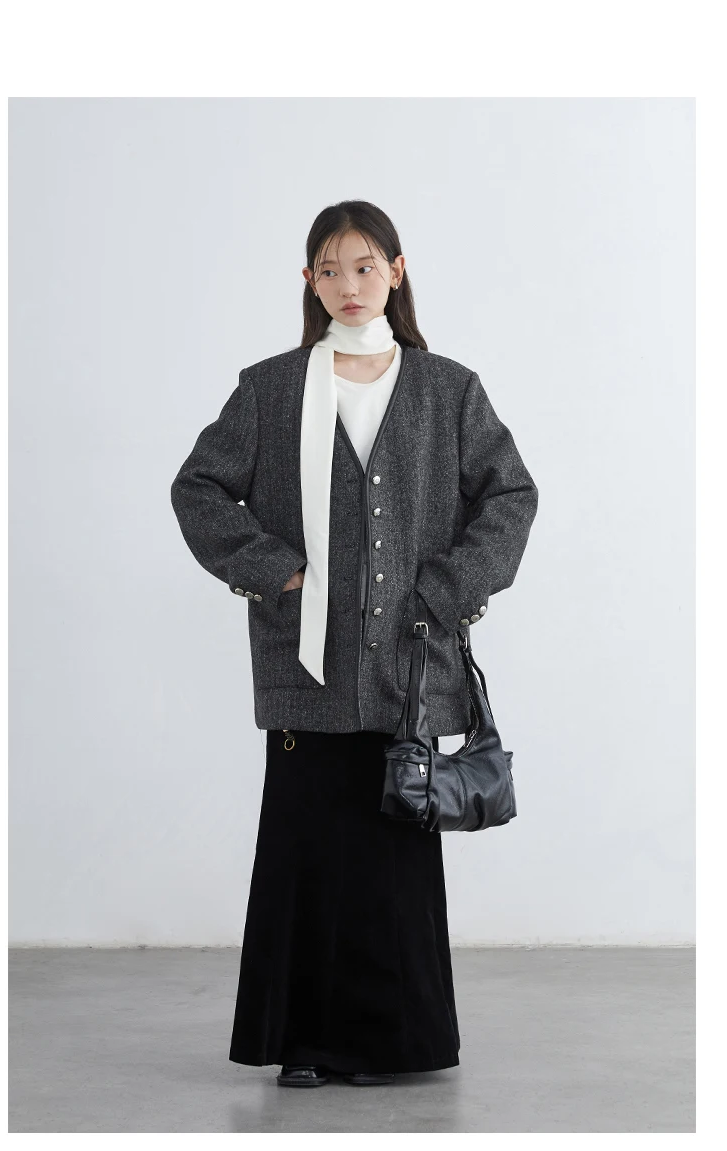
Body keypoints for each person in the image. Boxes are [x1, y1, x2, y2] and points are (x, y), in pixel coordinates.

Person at [170, 200, 539, 1088]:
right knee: (305, 849)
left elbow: (511, 496)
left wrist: (446, 589)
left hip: (409, 665)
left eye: (364, 266)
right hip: (306, 666)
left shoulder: (448, 389)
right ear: (308, 281)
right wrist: (277, 571)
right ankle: (304, 1042)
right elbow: (199, 488)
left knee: (395, 855)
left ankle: (402, 1042)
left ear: (396, 271)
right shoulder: (270, 389)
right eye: (329, 269)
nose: (348, 284)